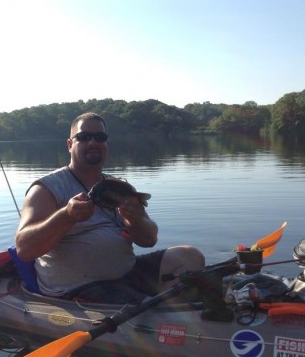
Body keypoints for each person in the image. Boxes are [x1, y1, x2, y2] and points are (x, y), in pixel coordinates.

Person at [15, 112, 205, 304]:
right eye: (83, 137)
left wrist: (136, 219)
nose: (92, 142)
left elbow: (149, 240)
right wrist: (66, 215)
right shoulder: (46, 188)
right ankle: (161, 313)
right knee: (149, 306)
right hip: (76, 287)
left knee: (190, 257)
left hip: (126, 274)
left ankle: (167, 312)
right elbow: (24, 248)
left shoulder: (118, 185)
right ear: (70, 145)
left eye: (100, 137)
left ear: (107, 144)